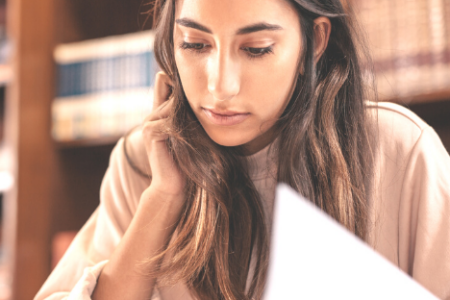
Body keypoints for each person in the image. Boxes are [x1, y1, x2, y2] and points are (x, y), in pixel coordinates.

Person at [35, 0, 450, 299]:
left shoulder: (400, 152)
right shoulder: (145, 163)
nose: (219, 87)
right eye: (195, 45)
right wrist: (162, 200)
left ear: (315, 42)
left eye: (255, 49)